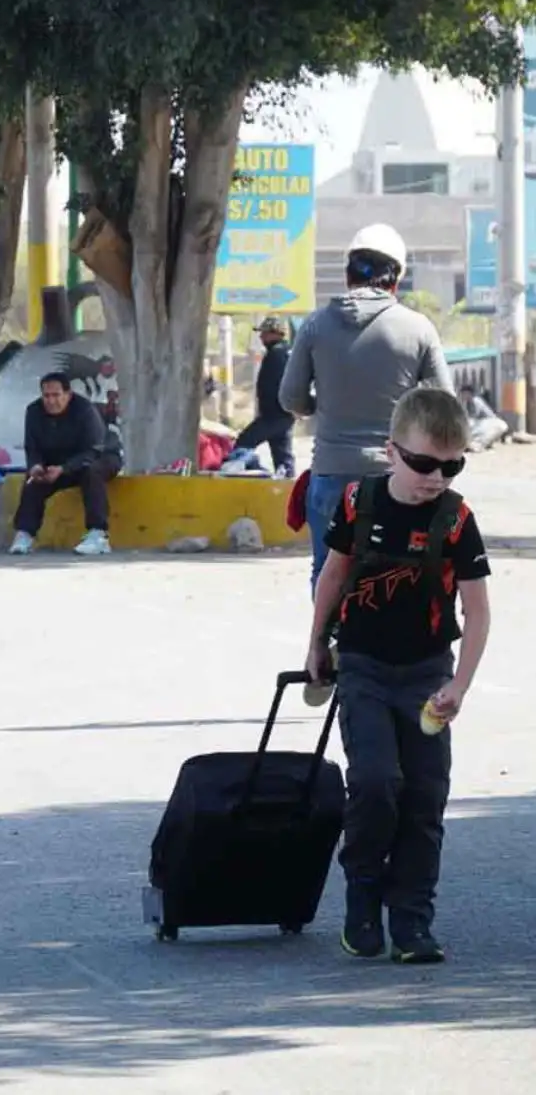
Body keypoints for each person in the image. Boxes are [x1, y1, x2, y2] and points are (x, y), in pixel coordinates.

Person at [306, 387, 490, 965]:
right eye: (423, 463)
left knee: (425, 796)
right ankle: (363, 897)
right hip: (362, 667)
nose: (435, 477)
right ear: (391, 452)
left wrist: (458, 686)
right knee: (377, 782)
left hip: (427, 676)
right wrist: (315, 643)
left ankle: (412, 920)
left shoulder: (456, 520)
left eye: (450, 465)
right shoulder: (359, 503)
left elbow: (478, 611)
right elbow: (333, 575)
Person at [280, 223, 452, 589]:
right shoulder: (418, 328)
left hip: (330, 475)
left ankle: (326, 645)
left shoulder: (315, 326)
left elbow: (290, 398)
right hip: (396, 478)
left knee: (327, 574)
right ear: (396, 279)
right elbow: (444, 406)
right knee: (395, 576)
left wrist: (322, 405)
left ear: (347, 275)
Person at [8, 373, 121, 556]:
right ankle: (25, 534)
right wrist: (35, 466)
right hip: (60, 462)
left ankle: (98, 534)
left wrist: (64, 469)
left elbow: (94, 450)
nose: (51, 401)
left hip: (99, 456)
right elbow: (32, 447)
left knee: (91, 472)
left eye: (56, 395)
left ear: (68, 395)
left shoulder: (85, 410)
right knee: (34, 480)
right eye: (47, 396)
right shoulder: (34, 411)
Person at [233, 316, 294, 476]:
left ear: (276, 333)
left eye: (264, 333)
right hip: (285, 413)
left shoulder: (277, 353)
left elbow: (275, 385)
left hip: (273, 414)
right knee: (283, 456)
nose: (261, 337)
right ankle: (288, 487)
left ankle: (256, 476)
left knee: (243, 443)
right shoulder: (288, 352)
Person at [459, 384, 510, 452]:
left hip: (489, 422)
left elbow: (474, 416)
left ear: (468, 393)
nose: (462, 395)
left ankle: (476, 444)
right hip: (481, 422)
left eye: (463, 393)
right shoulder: (467, 402)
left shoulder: (476, 401)